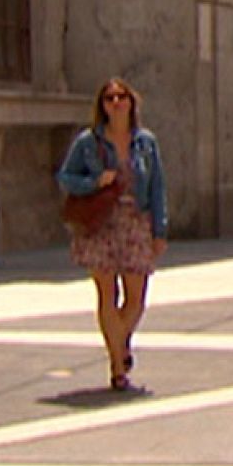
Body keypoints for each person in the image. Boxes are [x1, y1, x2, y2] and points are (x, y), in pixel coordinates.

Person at [56, 78, 168, 392]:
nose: (116, 102)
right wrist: (94, 181)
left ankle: (120, 342)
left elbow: (158, 185)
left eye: (122, 97)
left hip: (135, 221)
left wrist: (160, 230)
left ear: (132, 102)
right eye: (109, 98)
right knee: (107, 294)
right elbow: (65, 177)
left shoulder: (145, 142)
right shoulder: (88, 142)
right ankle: (118, 367)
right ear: (102, 105)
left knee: (136, 299)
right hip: (100, 222)